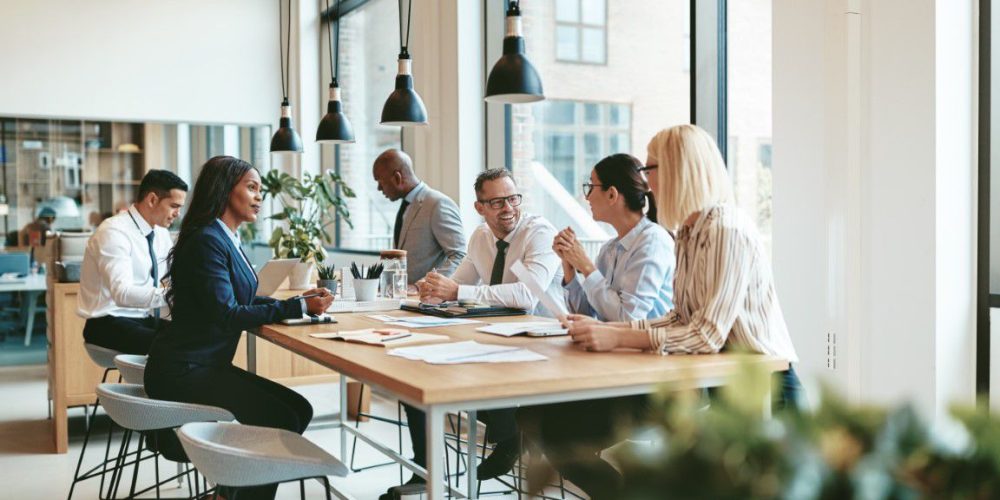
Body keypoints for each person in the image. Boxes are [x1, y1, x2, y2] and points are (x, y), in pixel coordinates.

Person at [518, 125, 802, 499]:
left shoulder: (726, 230)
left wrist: (617, 333)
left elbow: (705, 333)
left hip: (763, 384)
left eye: (650, 169)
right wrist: (612, 331)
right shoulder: (688, 232)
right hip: (719, 376)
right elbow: (679, 317)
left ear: (678, 170)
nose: (646, 183)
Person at [144, 156, 333, 500]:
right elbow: (227, 314)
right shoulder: (207, 240)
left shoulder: (225, 236)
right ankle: (234, 494)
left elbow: (242, 300)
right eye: (251, 187)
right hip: (185, 370)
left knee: (298, 411)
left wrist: (299, 301)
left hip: (203, 364)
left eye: (260, 189)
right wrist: (298, 307)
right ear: (225, 190)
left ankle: (230, 492)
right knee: (284, 419)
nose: (259, 196)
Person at [382, 169, 562, 500]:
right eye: (496, 202)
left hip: (546, 339)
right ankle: (436, 464)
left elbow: (526, 296)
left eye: (512, 198)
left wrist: (457, 290)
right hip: (500, 334)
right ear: (480, 208)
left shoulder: (539, 233)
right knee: (425, 369)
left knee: (475, 365)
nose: (508, 208)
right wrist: (434, 290)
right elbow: (460, 282)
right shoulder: (480, 237)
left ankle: (510, 437)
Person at [77, 170, 188, 354]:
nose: (178, 214)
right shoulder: (114, 232)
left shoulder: (160, 233)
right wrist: (174, 295)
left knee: (197, 338)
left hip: (142, 318)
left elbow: (173, 275)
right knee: (174, 348)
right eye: (174, 206)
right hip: (107, 322)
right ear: (152, 200)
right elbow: (123, 293)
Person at [554, 153, 674, 322]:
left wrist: (586, 265)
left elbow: (628, 319)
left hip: (647, 347)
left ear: (611, 194)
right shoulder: (609, 250)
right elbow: (586, 316)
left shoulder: (652, 241)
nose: (587, 197)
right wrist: (569, 265)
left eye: (591, 186)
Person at [373, 149, 467, 283]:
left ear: (397, 178)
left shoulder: (438, 204)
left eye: (380, 181)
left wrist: (422, 285)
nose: (379, 188)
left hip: (427, 299)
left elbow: (460, 256)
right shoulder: (406, 205)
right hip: (404, 297)